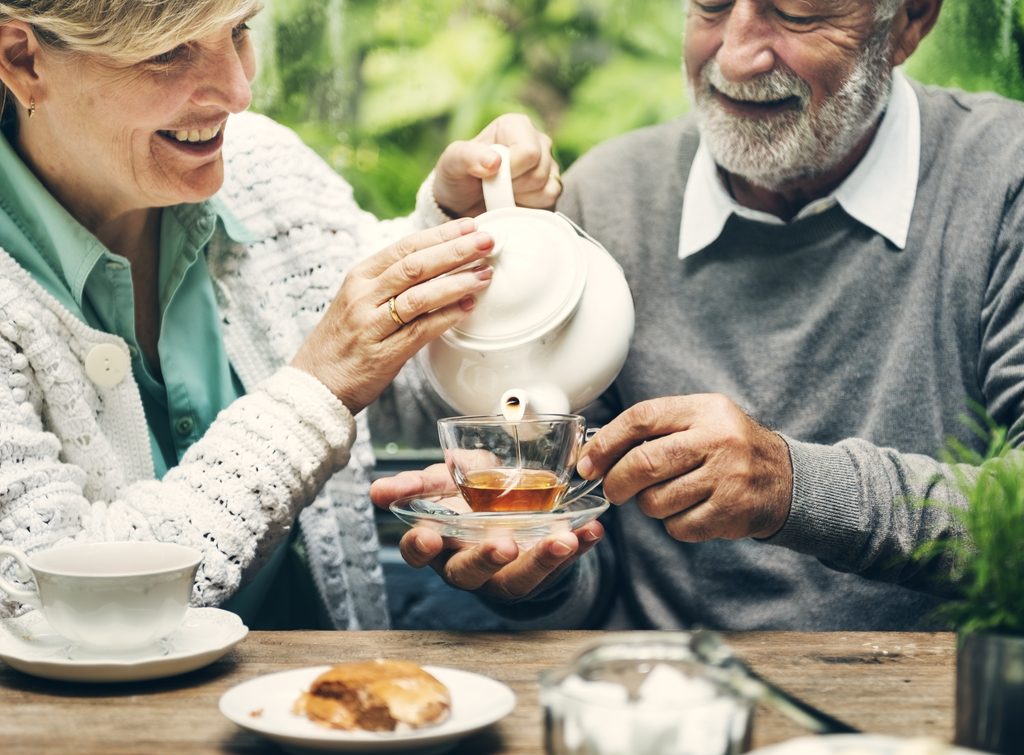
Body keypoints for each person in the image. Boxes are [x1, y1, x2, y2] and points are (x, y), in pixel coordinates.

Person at [371, 0, 1024, 630]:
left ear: (910, 18)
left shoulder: (1003, 182)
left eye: (796, 12)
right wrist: (535, 567)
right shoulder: (609, 201)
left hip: (931, 716)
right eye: (710, 5)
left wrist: (794, 488)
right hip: (663, 700)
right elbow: (589, 585)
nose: (736, 57)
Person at [0, 0, 563, 629]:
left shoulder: (263, 168)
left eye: (238, 32)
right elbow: (53, 605)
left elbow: (395, 387)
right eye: (170, 51)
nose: (239, 92)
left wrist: (461, 232)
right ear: (24, 60)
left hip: (323, 703)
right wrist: (314, 392)